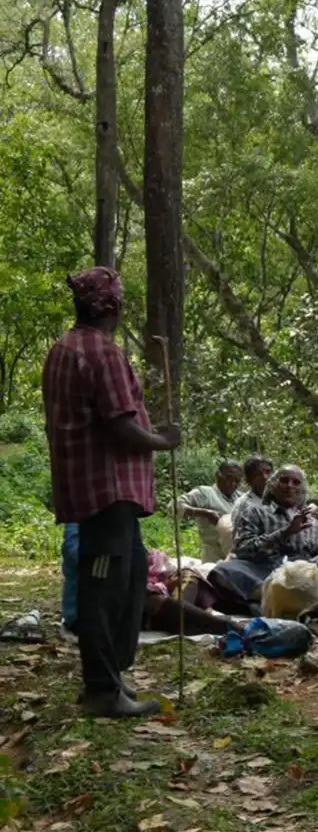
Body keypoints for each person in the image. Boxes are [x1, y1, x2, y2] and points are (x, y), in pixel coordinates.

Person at [42, 267, 181, 718]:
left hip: (91, 486)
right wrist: (163, 441)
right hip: (107, 488)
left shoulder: (63, 348)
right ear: (113, 307)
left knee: (129, 571)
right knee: (103, 584)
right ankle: (102, 688)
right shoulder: (102, 353)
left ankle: (111, 674)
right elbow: (121, 425)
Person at [207, 466, 318, 613]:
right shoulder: (254, 512)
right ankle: (278, 598)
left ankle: (275, 602)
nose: (289, 486)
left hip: (304, 576)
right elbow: (243, 549)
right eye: (284, 480)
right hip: (263, 572)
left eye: (296, 482)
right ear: (272, 486)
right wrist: (285, 533)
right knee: (223, 571)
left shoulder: (312, 523)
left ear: (302, 490)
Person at [178, 461, 247, 562]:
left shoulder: (241, 497)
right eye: (228, 478)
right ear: (218, 476)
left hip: (239, 556)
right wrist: (205, 513)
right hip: (214, 557)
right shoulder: (205, 493)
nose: (232, 484)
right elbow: (175, 505)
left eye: (237, 481)